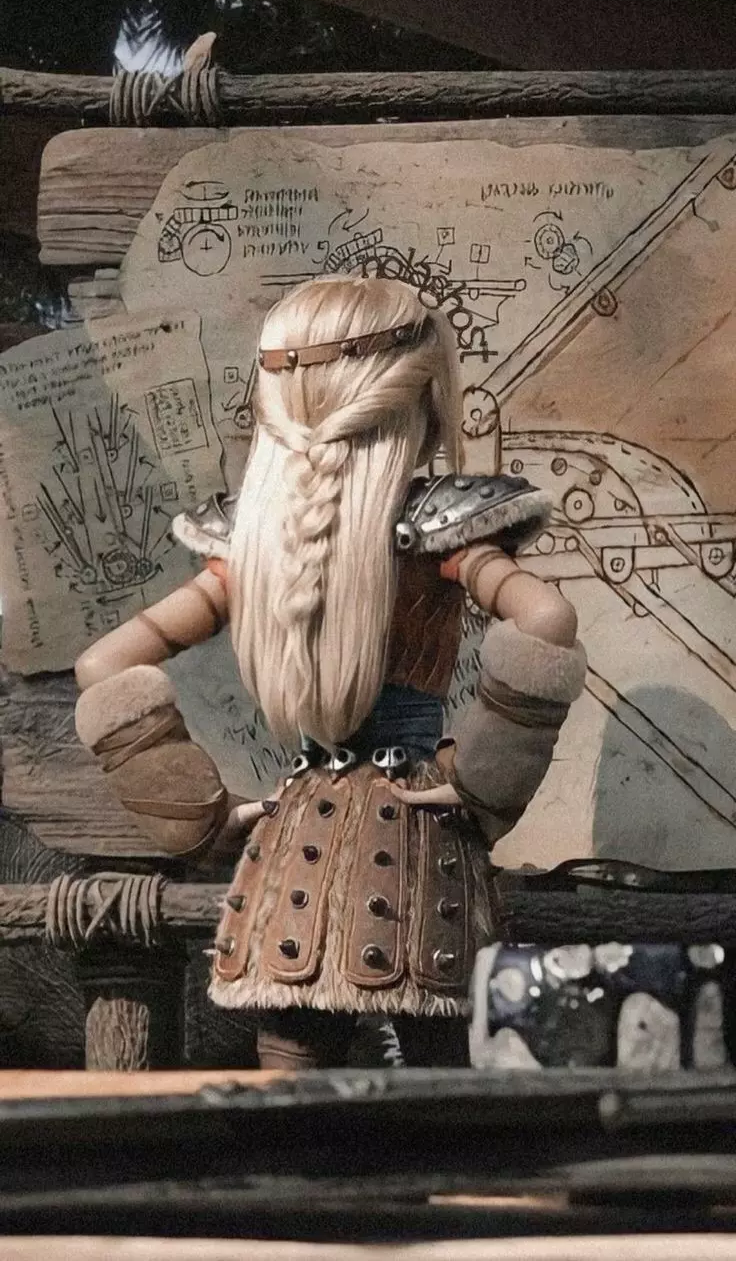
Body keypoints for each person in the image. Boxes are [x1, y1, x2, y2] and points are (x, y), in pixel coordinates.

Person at [74, 276, 586, 1068]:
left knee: (291, 1065)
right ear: (424, 405)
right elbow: (547, 619)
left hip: (296, 834)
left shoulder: (251, 546)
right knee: (442, 1073)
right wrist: (484, 779)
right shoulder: (442, 529)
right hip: (421, 836)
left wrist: (197, 817)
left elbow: (104, 663)